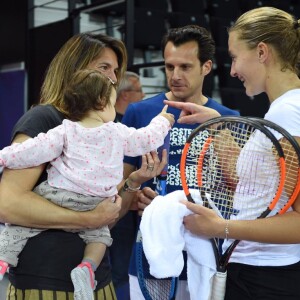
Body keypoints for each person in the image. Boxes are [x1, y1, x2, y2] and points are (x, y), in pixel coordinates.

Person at [0, 32, 167, 299]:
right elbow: (6, 204)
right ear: (76, 71)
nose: (113, 78)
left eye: (114, 70)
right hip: (44, 283)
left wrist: (134, 182)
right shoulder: (45, 118)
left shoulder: (108, 130)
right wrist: (87, 219)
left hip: (95, 282)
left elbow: (108, 215)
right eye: (103, 68)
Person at [166, 7, 300, 299]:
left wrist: (220, 227)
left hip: (266, 278)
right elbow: (251, 182)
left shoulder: (289, 113)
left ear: (262, 52)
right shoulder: (285, 109)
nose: (233, 70)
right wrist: (215, 122)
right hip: (256, 271)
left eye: (235, 57)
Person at [121, 24, 240, 299]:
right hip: (149, 259)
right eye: (169, 66)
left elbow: (237, 189)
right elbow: (119, 191)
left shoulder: (227, 116)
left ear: (206, 67)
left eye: (185, 67)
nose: (175, 76)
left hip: (209, 258)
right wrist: (135, 193)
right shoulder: (139, 112)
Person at [110, 70, 145, 299]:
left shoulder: (138, 128)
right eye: (139, 90)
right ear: (125, 95)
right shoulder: (107, 126)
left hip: (138, 208)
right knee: (118, 267)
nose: (143, 95)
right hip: (115, 207)